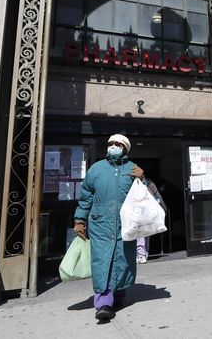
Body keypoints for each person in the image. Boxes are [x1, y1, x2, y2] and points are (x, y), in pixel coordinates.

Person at [73, 134, 144, 321]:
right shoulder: (96, 169)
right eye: (111, 143)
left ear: (125, 149)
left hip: (125, 225)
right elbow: (86, 196)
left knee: (123, 260)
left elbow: (143, 197)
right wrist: (80, 220)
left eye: (119, 144)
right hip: (100, 224)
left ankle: (118, 294)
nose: (114, 146)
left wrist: (142, 179)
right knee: (102, 260)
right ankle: (103, 303)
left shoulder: (132, 169)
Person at [136, 176, 167, 264]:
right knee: (146, 233)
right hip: (148, 212)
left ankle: (141, 254)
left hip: (140, 211)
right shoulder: (150, 183)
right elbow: (158, 197)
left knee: (141, 233)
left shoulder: (134, 185)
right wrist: (163, 208)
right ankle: (144, 253)